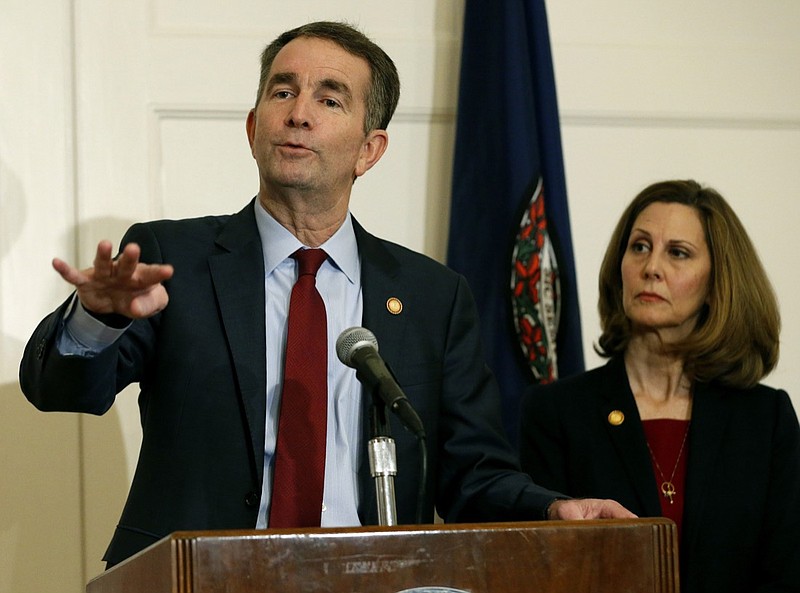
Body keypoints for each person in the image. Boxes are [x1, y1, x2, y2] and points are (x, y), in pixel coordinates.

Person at [19, 21, 632, 568]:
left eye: (329, 98)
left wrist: (552, 508)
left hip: (371, 581)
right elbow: (61, 391)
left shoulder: (431, 296)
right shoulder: (172, 260)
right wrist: (97, 318)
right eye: (282, 92)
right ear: (254, 127)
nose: (299, 113)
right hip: (199, 580)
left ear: (370, 149)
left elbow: (472, 470)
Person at [519, 179, 800, 593]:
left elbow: (786, 572)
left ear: (716, 282)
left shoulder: (765, 417)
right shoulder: (557, 412)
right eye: (639, 247)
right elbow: (543, 571)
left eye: (678, 253)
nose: (651, 268)